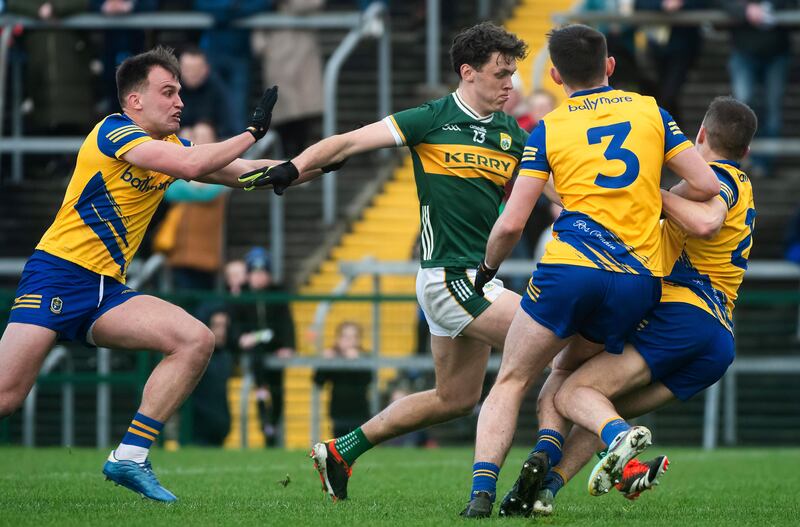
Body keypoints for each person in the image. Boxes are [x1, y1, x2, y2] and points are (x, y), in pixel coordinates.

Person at [243, 22, 531, 500]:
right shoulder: (431, 118)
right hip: (451, 278)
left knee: (455, 398)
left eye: (513, 74)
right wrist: (293, 167)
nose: (510, 84)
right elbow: (347, 143)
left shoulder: (510, 134)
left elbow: (561, 195)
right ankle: (562, 465)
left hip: (475, 280)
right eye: (501, 73)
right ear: (468, 72)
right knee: (554, 338)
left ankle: (341, 450)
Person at [0, 46, 285, 502]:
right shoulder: (113, 132)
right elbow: (195, 167)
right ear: (135, 101)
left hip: (105, 290)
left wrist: (315, 163)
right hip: (56, 275)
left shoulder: (170, 146)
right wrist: (253, 130)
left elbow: (241, 173)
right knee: (5, 398)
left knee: (195, 339)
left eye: (179, 93)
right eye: (168, 92)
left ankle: (129, 456)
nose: (180, 102)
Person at [463, 24, 720, 517]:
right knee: (562, 377)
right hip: (637, 281)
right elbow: (706, 183)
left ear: (556, 76)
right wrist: (647, 193)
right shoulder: (650, 110)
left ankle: (480, 497)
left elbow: (512, 223)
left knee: (512, 379)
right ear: (610, 66)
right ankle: (542, 460)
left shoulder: (549, 128)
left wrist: (487, 268)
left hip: (571, 267)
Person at [519, 96, 757, 516]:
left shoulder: (721, 178)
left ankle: (615, 441)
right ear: (747, 149)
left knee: (573, 392)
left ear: (699, 135)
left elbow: (705, 221)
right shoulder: (742, 183)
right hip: (714, 340)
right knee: (594, 408)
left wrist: (649, 189)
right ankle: (549, 490)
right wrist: (541, 179)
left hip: (685, 314)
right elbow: (601, 202)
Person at [236, 247, 296, 446]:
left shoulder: (278, 293)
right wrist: (243, 338)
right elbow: (236, 324)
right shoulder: (241, 294)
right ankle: (264, 415)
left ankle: (273, 425)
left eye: (263, 273)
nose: (259, 277)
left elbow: (286, 323)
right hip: (255, 350)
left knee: (278, 389)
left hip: (274, 345)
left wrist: (288, 345)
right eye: (255, 273)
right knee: (259, 374)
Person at [313, 321, 372, 438]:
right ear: (338, 339)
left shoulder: (365, 356)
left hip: (359, 412)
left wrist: (357, 362)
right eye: (345, 336)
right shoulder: (333, 357)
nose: (349, 341)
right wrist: (324, 363)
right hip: (338, 412)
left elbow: (368, 380)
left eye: (353, 337)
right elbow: (318, 381)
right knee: (338, 445)